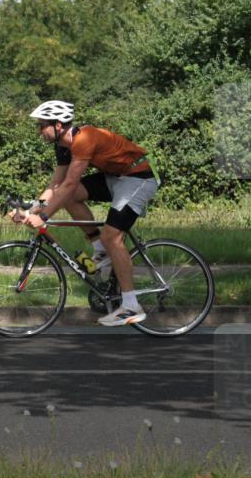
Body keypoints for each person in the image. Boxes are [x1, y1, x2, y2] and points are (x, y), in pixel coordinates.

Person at [18, 100, 160, 326]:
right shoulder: (62, 146)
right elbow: (56, 186)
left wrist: (43, 217)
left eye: (42, 125)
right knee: (72, 199)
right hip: (116, 177)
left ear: (58, 125)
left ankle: (131, 306)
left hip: (138, 178)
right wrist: (31, 208)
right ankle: (101, 251)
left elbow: (70, 183)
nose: (39, 131)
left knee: (111, 236)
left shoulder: (84, 138)